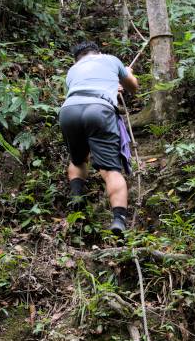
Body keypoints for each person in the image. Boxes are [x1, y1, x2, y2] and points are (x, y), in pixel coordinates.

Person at [59, 41, 138, 235]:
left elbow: (84, 86)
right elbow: (133, 87)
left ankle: (78, 201)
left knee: (77, 159)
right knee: (111, 170)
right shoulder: (111, 60)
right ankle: (118, 219)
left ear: (78, 58)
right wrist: (127, 73)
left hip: (69, 110)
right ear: (98, 52)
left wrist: (113, 83)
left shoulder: (72, 70)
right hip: (99, 109)